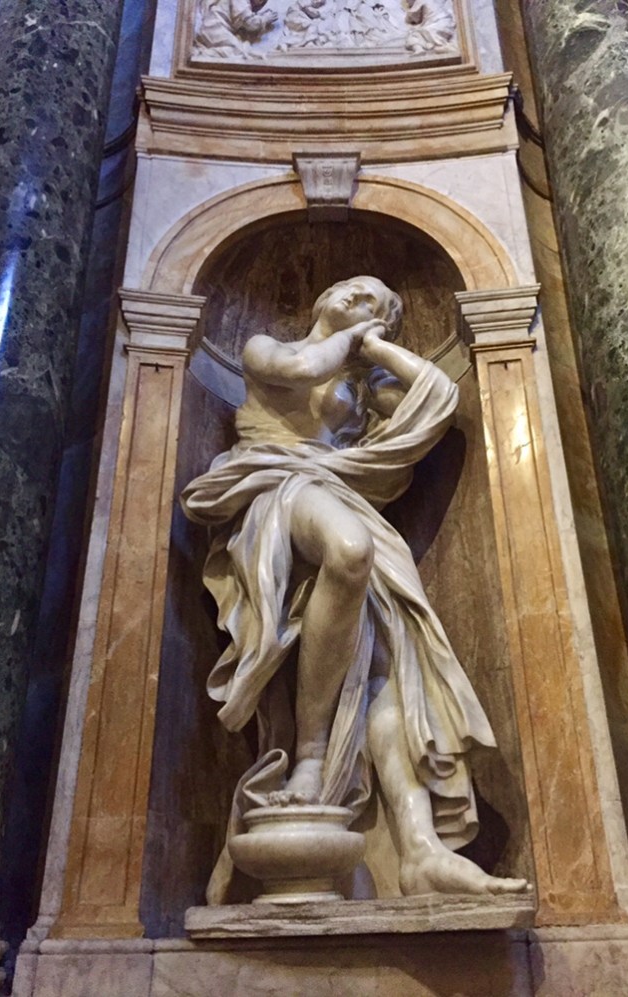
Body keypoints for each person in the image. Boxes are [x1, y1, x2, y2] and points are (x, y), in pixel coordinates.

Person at [182, 276, 527, 898]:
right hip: (275, 487)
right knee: (350, 549)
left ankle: (420, 850)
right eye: (351, 289)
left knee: (389, 670)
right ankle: (312, 757)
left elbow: (438, 397)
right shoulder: (266, 347)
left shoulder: (366, 384)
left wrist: (378, 348)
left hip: (335, 491)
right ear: (321, 298)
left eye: (375, 301)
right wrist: (358, 336)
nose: (357, 299)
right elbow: (301, 367)